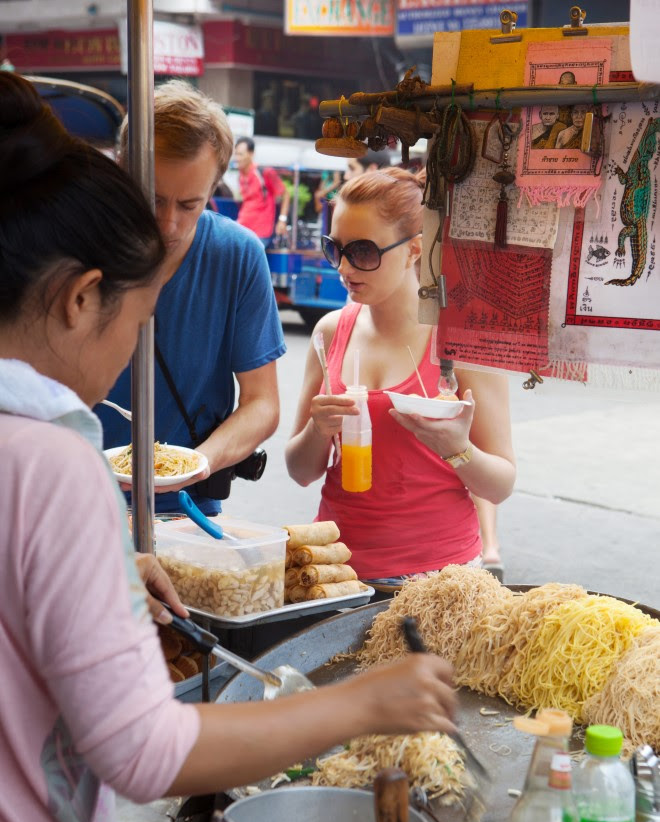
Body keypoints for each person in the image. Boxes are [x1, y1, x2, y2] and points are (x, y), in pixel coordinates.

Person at [0, 73, 458, 822]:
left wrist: (116, 569)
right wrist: (371, 702)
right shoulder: (51, 463)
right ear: (81, 299)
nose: (127, 352)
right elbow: (145, 755)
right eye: (133, 322)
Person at [285, 168, 516, 586]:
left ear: (415, 250)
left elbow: (500, 484)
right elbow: (300, 471)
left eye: (363, 251)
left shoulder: (462, 340)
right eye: (333, 248)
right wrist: (318, 431)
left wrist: (457, 448)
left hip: (439, 579)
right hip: (338, 572)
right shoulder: (330, 331)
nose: (344, 267)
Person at [96, 81, 286, 516]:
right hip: (72, 504)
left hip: (187, 510)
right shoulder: (74, 242)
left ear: (215, 186)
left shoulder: (237, 255)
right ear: (122, 166)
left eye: (188, 205)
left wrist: (200, 464)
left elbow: (262, 402)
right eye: (154, 198)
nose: (168, 223)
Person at [234, 135, 291, 247]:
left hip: (260, 232)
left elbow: (286, 194)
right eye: (236, 154)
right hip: (242, 227)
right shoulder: (241, 175)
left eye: (241, 154)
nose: (237, 158)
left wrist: (282, 220)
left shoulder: (265, 172)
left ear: (251, 154)